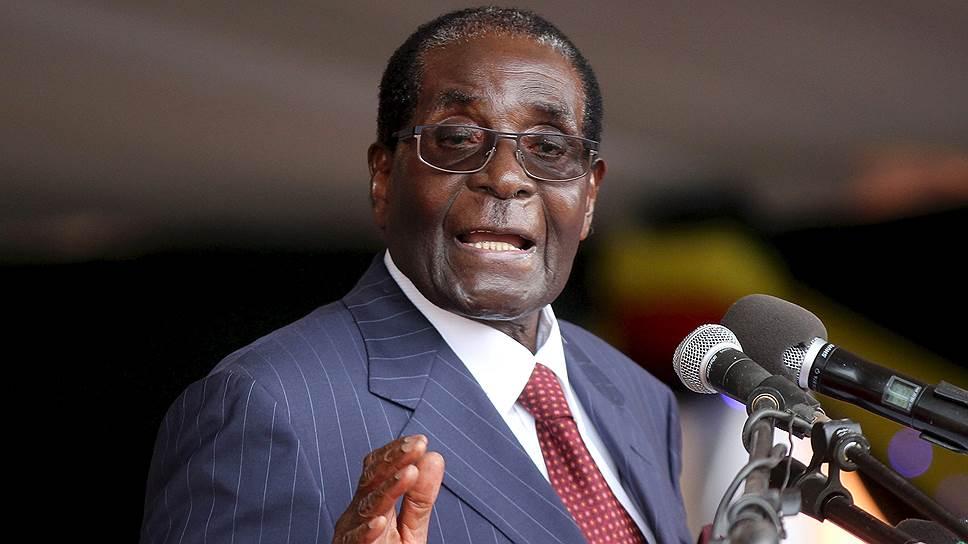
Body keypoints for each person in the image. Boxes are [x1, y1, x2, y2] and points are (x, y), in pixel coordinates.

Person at [141, 7, 691, 544]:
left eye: (548, 147)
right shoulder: (269, 406)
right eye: (457, 138)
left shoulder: (639, 395)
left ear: (589, 197)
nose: (505, 178)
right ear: (384, 177)